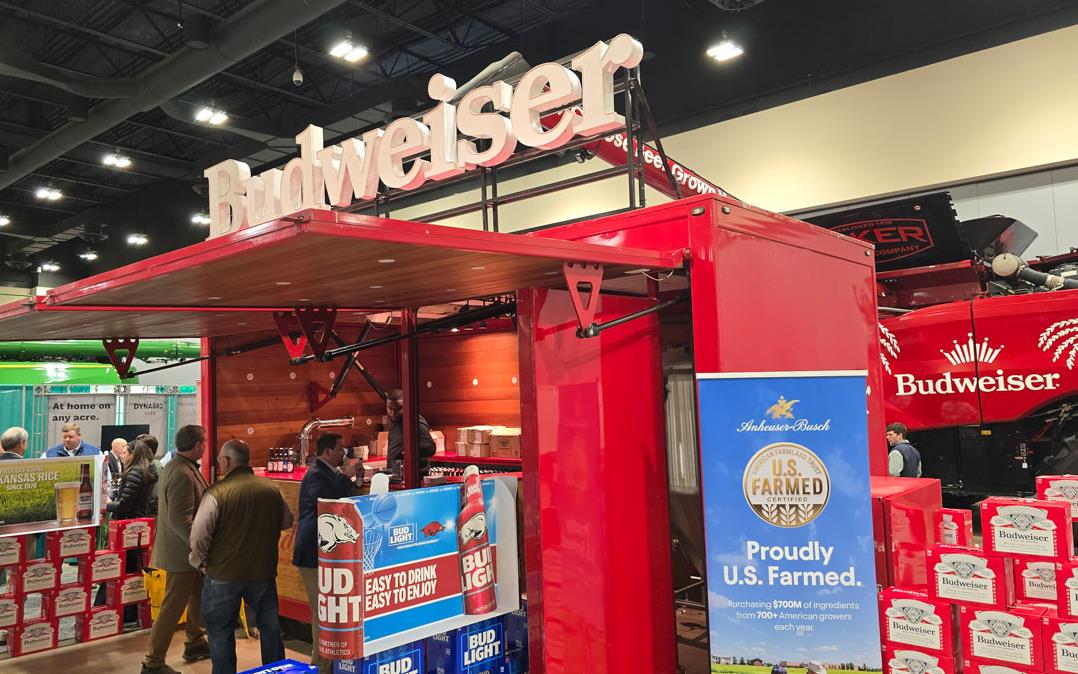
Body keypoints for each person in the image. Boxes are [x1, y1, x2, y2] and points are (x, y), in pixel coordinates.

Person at [190, 439, 294, 674]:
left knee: (220, 633)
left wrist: (201, 563)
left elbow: (198, 536)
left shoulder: (217, 492)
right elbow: (287, 521)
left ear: (226, 461)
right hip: (263, 573)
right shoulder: (271, 489)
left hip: (223, 575)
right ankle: (277, 670)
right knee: (270, 629)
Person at [142, 425, 211, 674]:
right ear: (196, 445)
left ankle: (194, 641)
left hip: (184, 552)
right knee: (172, 607)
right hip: (183, 554)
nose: (205, 445)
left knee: (197, 595)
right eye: (204, 441)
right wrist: (201, 548)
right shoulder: (182, 472)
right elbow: (181, 520)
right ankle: (153, 662)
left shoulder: (180, 466)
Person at [292, 432, 360, 674]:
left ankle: (326, 664)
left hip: (325, 551)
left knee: (327, 611)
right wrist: (348, 475)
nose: (344, 453)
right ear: (327, 451)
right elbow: (328, 501)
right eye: (341, 448)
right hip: (311, 553)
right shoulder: (315, 475)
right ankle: (319, 666)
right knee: (321, 612)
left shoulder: (328, 473)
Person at [385, 388, 436, 479]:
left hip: (414, 477)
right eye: (390, 408)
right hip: (395, 476)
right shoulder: (393, 421)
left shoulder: (416, 422)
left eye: (398, 408)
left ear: (407, 405)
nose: (393, 413)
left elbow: (430, 448)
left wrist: (405, 452)